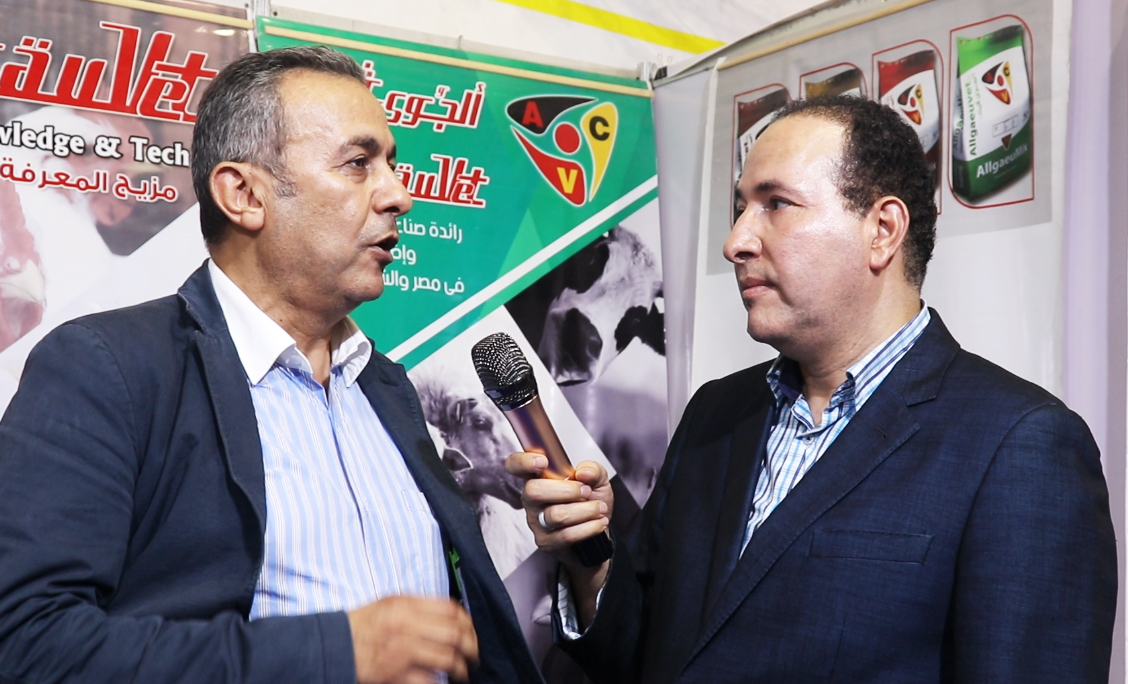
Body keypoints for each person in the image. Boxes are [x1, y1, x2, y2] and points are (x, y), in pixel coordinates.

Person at [507, 96, 1117, 684]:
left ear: (882, 230)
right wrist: (589, 563)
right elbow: (651, 656)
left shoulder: (1019, 445)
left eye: (776, 204)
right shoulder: (716, 414)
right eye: (740, 208)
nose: (736, 241)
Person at [0, 46, 542, 684]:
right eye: (358, 164)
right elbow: (27, 643)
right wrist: (332, 653)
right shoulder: (106, 367)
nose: (400, 195)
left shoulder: (388, 387)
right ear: (244, 195)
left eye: (392, 166)